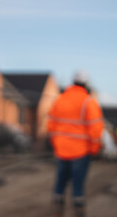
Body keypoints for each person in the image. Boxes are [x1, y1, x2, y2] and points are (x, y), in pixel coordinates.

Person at [47, 70, 104, 217]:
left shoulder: (60, 99)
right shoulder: (88, 101)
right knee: (77, 183)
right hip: (80, 151)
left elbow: (51, 125)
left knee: (60, 181)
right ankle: (78, 211)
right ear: (86, 83)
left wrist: (56, 144)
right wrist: (94, 149)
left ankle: (57, 209)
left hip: (61, 150)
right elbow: (95, 129)